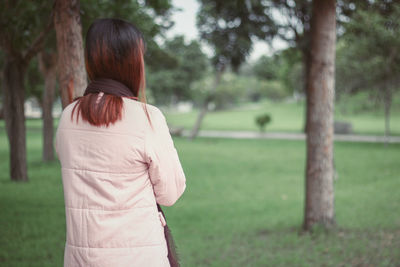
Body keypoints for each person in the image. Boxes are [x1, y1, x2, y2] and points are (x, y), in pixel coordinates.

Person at [55, 18, 186, 267]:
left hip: (81, 259)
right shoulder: (147, 118)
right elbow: (170, 193)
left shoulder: (68, 117)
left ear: (91, 60)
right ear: (133, 62)